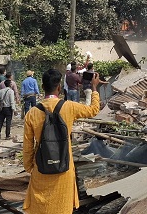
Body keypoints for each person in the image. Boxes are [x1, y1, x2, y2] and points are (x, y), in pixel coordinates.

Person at [23, 68, 101, 214]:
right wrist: (94, 88)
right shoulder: (69, 107)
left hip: (41, 171)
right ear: (59, 87)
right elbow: (93, 110)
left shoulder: (31, 113)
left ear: (42, 86)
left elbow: (28, 148)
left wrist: (30, 168)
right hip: (64, 171)